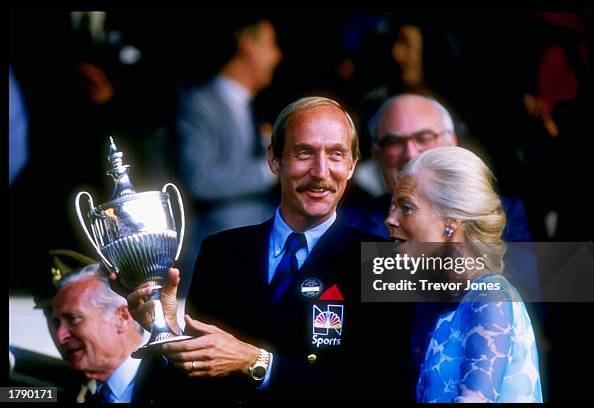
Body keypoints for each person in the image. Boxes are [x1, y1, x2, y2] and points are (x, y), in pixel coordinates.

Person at [122, 96, 412, 403]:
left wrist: (257, 363)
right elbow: (194, 389)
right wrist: (167, 330)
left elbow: (382, 388)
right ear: (274, 159)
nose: (320, 171)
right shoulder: (221, 251)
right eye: (304, 153)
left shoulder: (385, 261)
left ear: (353, 165)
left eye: (337, 155)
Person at [385, 146, 543, 402]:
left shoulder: (491, 298)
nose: (390, 219)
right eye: (393, 207)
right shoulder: (455, 299)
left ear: (451, 223)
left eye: (406, 207)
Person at [343, 93, 532, 243]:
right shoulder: (347, 225)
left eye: (424, 138)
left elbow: (519, 289)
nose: (410, 153)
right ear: (377, 154)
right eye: (394, 142)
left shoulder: (503, 216)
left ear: (452, 143)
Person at [176, 15, 283, 278]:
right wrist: (270, 169)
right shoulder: (199, 104)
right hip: (222, 247)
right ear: (248, 45)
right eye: (271, 45)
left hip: (265, 245)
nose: (277, 56)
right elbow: (200, 180)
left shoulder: (254, 107)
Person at [49, 262, 167, 403]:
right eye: (57, 323)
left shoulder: (171, 379)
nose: (61, 336)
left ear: (121, 318)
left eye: (74, 319)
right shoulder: (74, 394)